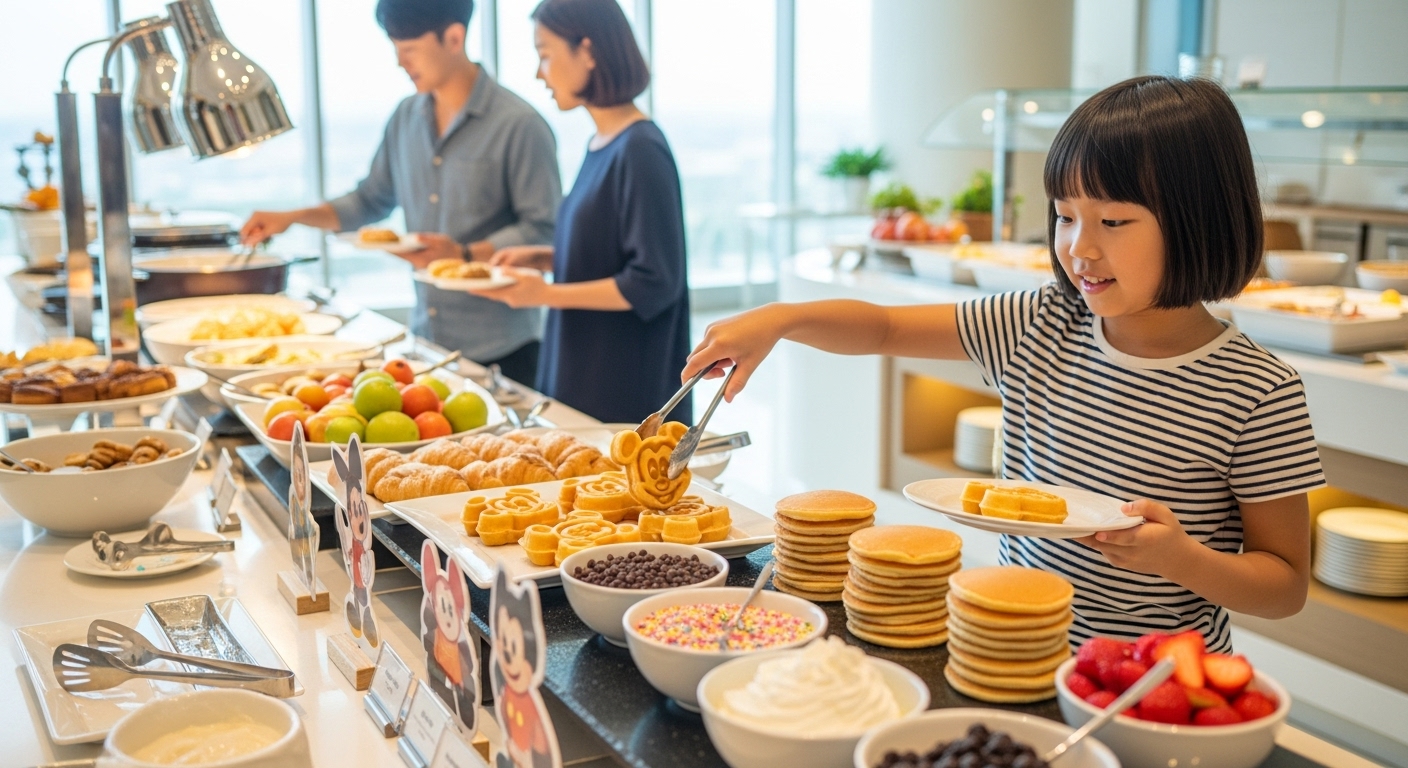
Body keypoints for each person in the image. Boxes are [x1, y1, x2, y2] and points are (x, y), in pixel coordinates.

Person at [684, 76, 1323, 652]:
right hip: (1012, 645)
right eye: (1064, 217)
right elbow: (885, 327)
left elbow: (1285, 585)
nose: (1080, 248)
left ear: (1200, 220)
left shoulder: (1258, 390)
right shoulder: (1041, 322)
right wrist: (783, 319)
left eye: (1113, 220)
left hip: (1154, 684)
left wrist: (1182, 559)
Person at [239, 0, 561, 385]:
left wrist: (463, 255)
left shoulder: (520, 124)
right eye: (395, 49)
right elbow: (369, 200)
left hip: (505, 349)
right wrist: (291, 218)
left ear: (454, 38)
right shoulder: (405, 117)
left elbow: (544, 229)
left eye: (409, 49)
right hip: (428, 342)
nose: (399, 62)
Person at [470, 0, 691, 425]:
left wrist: (544, 294)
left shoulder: (640, 149)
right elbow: (612, 251)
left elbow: (653, 281)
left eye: (545, 54)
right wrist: (546, 259)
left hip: (620, 391)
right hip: (585, 374)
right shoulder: (602, 144)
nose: (540, 73)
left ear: (587, 51)